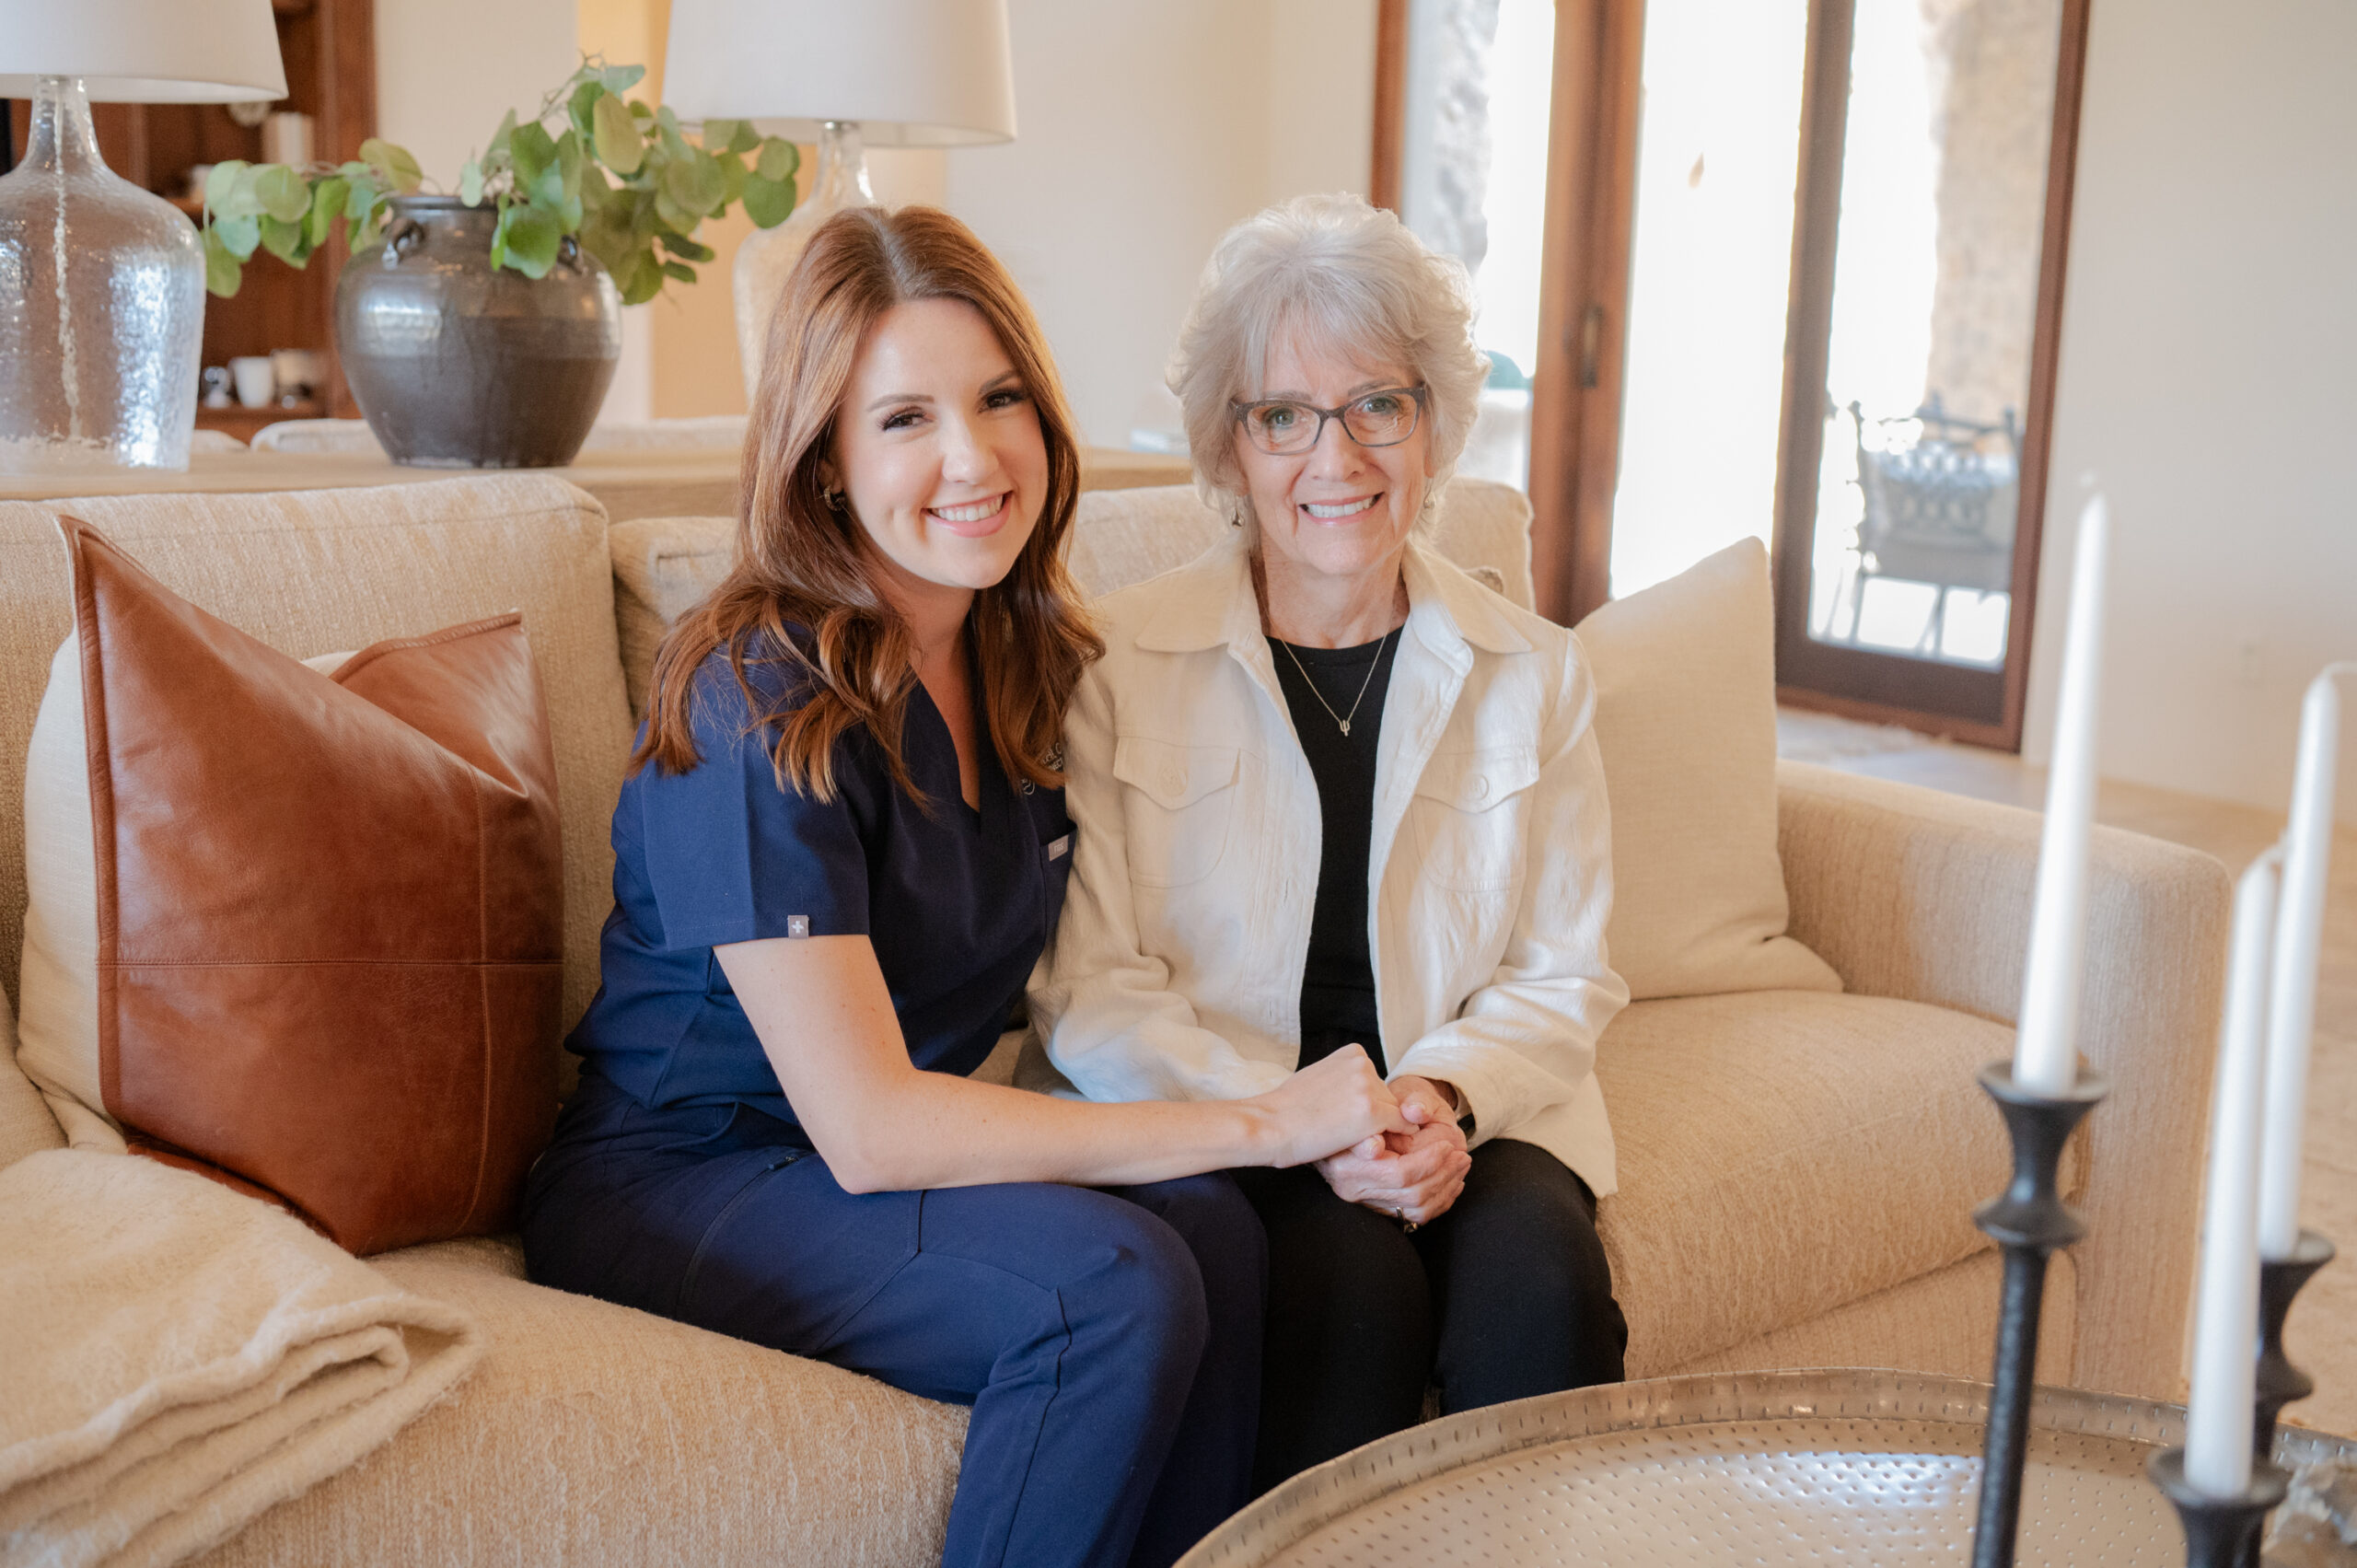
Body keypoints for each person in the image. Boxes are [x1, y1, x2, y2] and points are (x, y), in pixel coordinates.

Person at [520, 205, 1408, 1568]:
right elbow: (872, 1130)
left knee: (1216, 1239)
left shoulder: (1030, 668)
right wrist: (1256, 1120)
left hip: (851, 1165)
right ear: (820, 460)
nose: (971, 456)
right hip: (683, 1175)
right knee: (1111, 1290)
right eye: (903, 420)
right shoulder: (758, 696)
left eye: (1001, 400)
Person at [1030, 192, 1632, 1493]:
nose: (1337, 456)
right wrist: (1293, 1120)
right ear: (1231, 447)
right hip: (1235, 1111)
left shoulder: (1539, 673)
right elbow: (1091, 990)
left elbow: (1563, 971)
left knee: (1546, 1289)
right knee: (1352, 1299)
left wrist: (1440, 1099)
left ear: (1432, 425)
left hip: (1469, 1106)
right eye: (1284, 416)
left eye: (1379, 404)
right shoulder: (1125, 663)